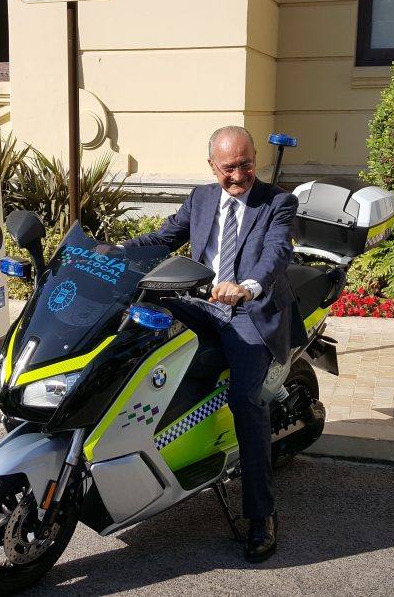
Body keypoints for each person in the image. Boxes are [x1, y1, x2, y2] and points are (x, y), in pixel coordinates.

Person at [122, 125, 298, 562]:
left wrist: (247, 286)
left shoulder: (278, 201)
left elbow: (275, 255)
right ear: (211, 166)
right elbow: (163, 237)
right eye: (228, 167)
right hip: (200, 304)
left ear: (254, 159)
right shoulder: (201, 198)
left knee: (245, 401)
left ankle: (261, 515)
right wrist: (111, 252)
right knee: (134, 334)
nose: (237, 175)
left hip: (249, 313)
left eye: (245, 164)